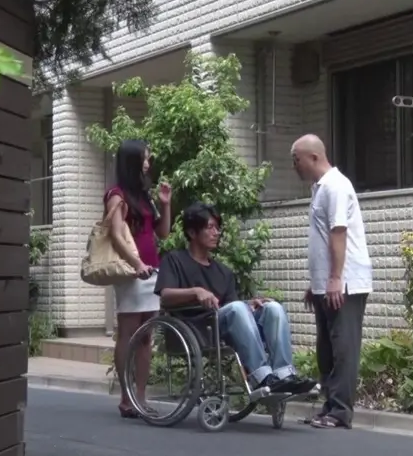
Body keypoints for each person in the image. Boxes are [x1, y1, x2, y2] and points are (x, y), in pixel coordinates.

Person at [154, 202, 316, 394]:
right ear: (192, 232)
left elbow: (233, 307)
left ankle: (284, 375)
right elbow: (166, 297)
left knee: (273, 308)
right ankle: (261, 377)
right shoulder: (174, 260)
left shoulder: (224, 272)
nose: (216, 233)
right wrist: (196, 292)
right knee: (238, 308)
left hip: (222, 329)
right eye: (210, 227)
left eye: (217, 228)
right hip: (195, 327)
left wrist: (250, 304)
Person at [291, 133, 372, 429]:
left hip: (345, 284)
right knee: (326, 350)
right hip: (329, 284)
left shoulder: (336, 186)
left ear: (314, 157)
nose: (294, 166)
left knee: (343, 349)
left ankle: (340, 412)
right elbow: (323, 238)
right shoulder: (320, 188)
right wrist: (317, 283)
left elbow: (339, 232)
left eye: (296, 159)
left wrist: (336, 278)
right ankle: (329, 407)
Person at [104, 139, 172, 419]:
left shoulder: (144, 196)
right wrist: (137, 264)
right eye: (144, 158)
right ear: (131, 161)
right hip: (131, 272)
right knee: (128, 333)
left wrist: (165, 204)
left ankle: (140, 397)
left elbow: (163, 233)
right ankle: (126, 398)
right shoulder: (116, 195)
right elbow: (115, 235)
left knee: (146, 337)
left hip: (151, 270)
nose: (147, 163)